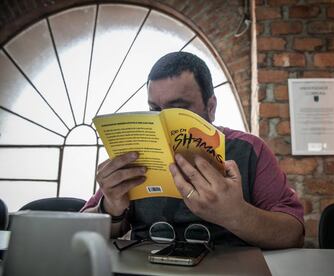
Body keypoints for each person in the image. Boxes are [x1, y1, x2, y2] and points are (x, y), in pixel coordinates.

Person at [82, 52, 304, 249]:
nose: (163, 121)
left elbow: (293, 233)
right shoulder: (137, 151)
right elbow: (81, 227)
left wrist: (236, 215)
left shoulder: (249, 149)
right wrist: (109, 209)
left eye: (178, 109)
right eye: (154, 109)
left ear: (211, 107)